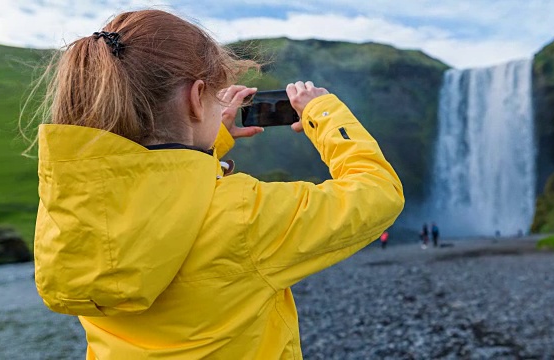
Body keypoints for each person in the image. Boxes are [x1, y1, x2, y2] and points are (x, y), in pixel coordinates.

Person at [29, 9, 404, 360]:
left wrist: (206, 141)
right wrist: (325, 114)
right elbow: (378, 192)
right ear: (195, 99)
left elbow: (158, 196)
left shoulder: (70, 208)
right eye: (213, 97)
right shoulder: (243, 215)